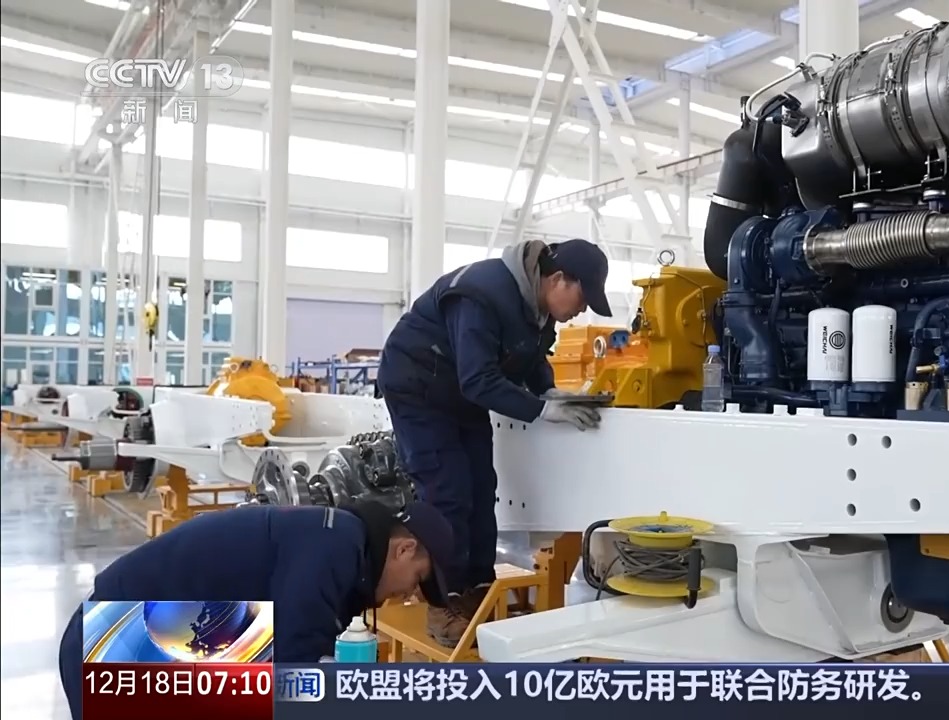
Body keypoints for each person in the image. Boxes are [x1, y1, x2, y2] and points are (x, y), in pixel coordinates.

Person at [378, 238, 610, 647]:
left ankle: (475, 589)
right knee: (447, 492)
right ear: (558, 279)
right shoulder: (481, 294)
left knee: (483, 489)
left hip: (460, 393)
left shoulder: (537, 306)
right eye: (582, 297)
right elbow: (478, 378)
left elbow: (530, 356)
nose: (582, 309)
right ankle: (441, 603)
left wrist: (548, 390)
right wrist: (542, 410)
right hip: (419, 387)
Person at [57, 500, 453, 720]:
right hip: (113, 640)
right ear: (404, 550)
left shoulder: (336, 538)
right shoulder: (337, 545)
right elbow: (297, 663)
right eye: (417, 580)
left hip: (145, 637)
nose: (409, 595)